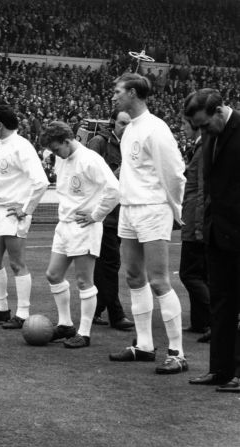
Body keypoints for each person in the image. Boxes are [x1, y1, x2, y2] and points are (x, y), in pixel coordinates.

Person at [107, 73, 187, 374]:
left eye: (117, 91)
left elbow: (175, 174)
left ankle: (177, 352)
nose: (114, 96)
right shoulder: (129, 130)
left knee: (158, 280)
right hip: (129, 209)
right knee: (133, 277)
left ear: (131, 92)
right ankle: (144, 346)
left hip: (152, 209)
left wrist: (177, 212)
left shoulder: (156, 129)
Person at [40, 121, 120, 348]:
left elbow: (114, 190)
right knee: (53, 275)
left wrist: (96, 215)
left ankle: (84, 333)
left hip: (85, 227)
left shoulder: (90, 159)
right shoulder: (61, 157)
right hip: (64, 225)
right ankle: (65, 324)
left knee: (84, 280)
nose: (55, 154)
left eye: (56, 149)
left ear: (67, 141)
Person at [184, 88, 240, 392]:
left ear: (220, 110)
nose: (202, 131)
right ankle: (219, 369)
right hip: (217, 235)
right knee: (221, 304)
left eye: (205, 125)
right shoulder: (209, 135)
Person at [0, 105, 49, 329]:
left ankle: (23, 313)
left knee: (17, 263)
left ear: (0, 124)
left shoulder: (21, 146)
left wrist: (26, 209)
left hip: (13, 211)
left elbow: (41, 181)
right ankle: (0, 309)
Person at [86, 110, 135, 330]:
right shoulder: (99, 143)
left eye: (129, 123)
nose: (126, 127)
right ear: (113, 123)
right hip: (104, 214)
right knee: (110, 263)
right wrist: (118, 173)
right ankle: (116, 314)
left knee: (105, 265)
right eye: (123, 123)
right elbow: (90, 176)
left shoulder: (131, 145)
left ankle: (96, 308)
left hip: (122, 213)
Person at [178, 117, 210, 342]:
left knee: (189, 274)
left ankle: (215, 319)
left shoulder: (202, 148)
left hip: (195, 221)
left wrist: (198, 226)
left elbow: (201, 189)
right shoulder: (200, 146)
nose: (182, 129)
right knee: (200, 274)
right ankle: (200, 322)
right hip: (195, 219)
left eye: (185, 125)